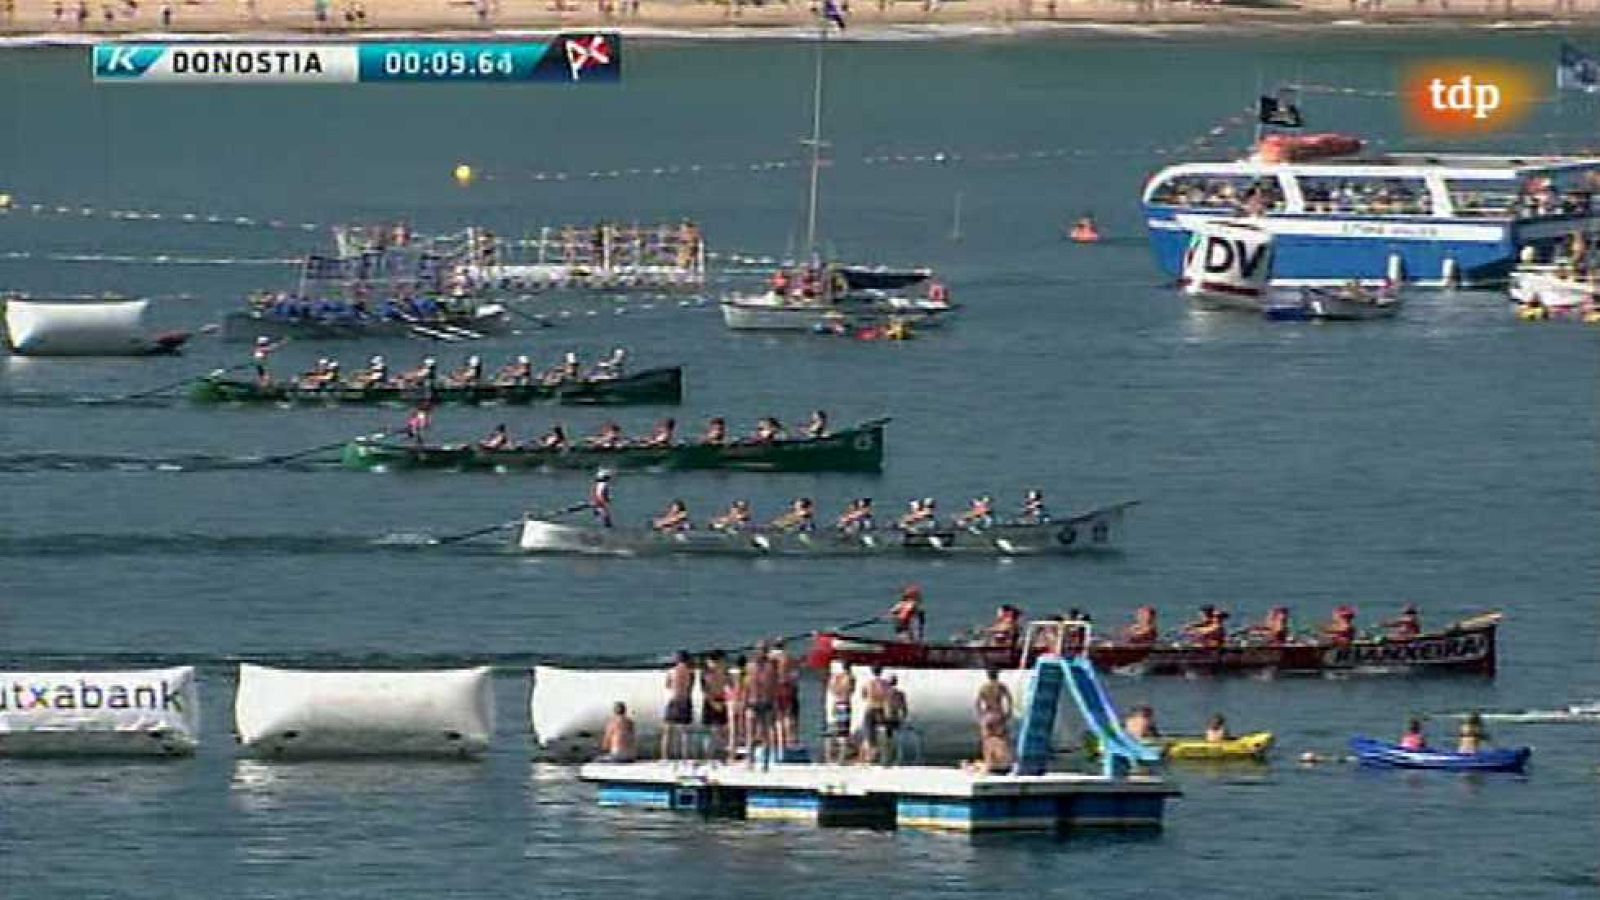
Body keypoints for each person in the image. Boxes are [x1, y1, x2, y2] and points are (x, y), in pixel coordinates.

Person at [660, 651, 695, 759]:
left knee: (667, 730)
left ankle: (665, 756)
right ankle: (685, 756)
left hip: (674, 700)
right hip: (685, 700)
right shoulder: (691, 672)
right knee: (684, 731)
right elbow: (690, 687)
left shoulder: (672, 671)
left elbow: (667, 685)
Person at [858, 666, 893, 764]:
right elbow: (889, 697)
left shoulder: (868, 684)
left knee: (869, 733)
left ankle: (870, 756)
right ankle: (885, 756)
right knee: (884, 733)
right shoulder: (885, 684)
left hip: (870, 708)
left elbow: (863, 695)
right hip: (881, 709)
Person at [824, 661, 855, 764]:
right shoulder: (850, 677)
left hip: (836, 703)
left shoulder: (836, 677)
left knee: (834, 729)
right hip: (845, 703)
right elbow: (851, 690)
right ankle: (841, 758)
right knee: (844, 732)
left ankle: (829, 757)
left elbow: (831, 688)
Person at [699, 651, 730, 753]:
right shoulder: (708, 672)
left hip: (719, 700)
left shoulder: (722, 671)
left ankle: (719, 751)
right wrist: (714, 702)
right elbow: (705, 690)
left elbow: (728, 686)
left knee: (721, 728)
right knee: (712, 729)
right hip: (712, 701)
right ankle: (711, 753)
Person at [772, 641, 799, 753]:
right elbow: (794, 675)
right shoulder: (788, 657)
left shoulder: (769, 658)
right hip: (786, 687)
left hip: (774, 688)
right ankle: (788, 742)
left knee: (777, 717)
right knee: (787, 716)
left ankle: (778, 742)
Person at [974, 668, 1014, 746]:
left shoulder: (984, 687)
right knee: (1003, 739)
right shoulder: (1001, 686)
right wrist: (1009, 712)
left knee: (987, 740)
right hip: (998, 713)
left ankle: (990, 756)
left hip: (987, 715)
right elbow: (1009, 699)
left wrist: (980, 715)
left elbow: (977, 703)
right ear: (997, 675)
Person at [724, 656, 747, 763]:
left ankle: (731, 755)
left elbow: (727, 687)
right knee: (743, 730)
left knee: (733, 730)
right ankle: (744, 754)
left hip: (731, 701)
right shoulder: (745, 673)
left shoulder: (729, 673)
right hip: (742, 700)